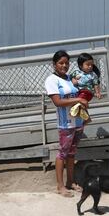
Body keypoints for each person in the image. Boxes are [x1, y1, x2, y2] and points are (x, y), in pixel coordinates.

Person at [44, 50, 89, 197]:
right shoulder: (52, 80)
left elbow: (80, 94)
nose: (64, 65)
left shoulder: (70, 78)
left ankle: (70, 181)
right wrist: (77, 100)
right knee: (62, 153)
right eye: (61, 63)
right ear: (54, 64)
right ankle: (60, 186)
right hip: (65, 124)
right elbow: (57, 102)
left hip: (78, 121)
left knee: (71, 153)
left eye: (66, 63)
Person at [69, 52, 102, 123]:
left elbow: (96, 84)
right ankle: (86, 118)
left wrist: (97, 92)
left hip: (88, 92)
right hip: (79, 92)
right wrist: (73, 80)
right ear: (81, 66)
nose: (90, 66)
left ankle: (75, 112)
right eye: (88, 64)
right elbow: (70, 77)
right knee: (80, 102)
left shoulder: (93, 75)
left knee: (81, 99)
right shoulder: (76, 72)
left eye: (91, 65)